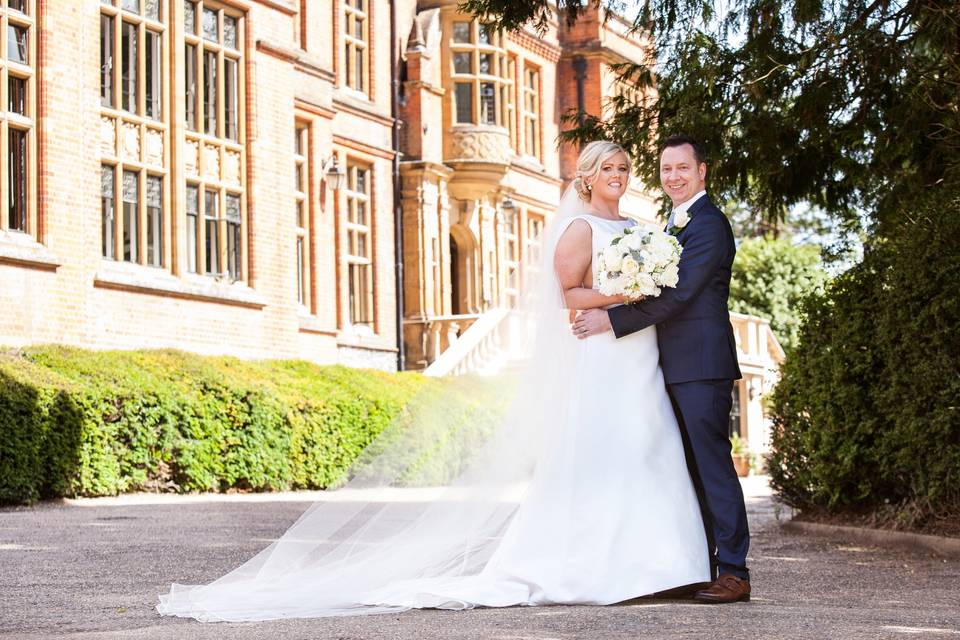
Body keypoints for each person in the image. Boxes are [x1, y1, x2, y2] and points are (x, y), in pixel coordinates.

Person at [156, 141, 711, 622]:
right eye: (607, 169)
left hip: (641, 357)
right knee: (602, 453)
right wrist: (625, 294)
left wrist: (645, 290)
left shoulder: (643, 229)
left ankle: (663, 565)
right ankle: (597, 565)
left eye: (623, 168)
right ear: (586, 177)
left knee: (648, 448)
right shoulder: (579, 228)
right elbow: (569, 297)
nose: (618, 176)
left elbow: (665, 286)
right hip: (603, 357)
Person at [573, 134, 751, 604]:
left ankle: (734, 570)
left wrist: (610, 320)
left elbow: (678, 295)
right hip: (667, 364)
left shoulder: (709, 225)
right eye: (666, 168)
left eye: (682, 169)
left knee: (712, 467)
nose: (673, 176)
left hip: (701, 363)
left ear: (702, 172)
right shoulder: (670, 226)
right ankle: (703, 563)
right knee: (687, 469)